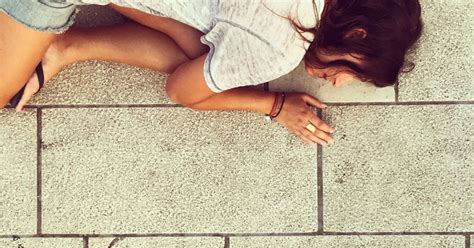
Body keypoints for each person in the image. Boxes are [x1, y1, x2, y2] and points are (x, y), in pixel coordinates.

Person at [0, 0, 422, 146]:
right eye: (353, 71)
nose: (337, 81)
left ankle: (67, 47)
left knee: (207, 48)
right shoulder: (278, 49)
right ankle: (62, 45)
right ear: (357, 32)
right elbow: (181, 89)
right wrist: (272, 105)